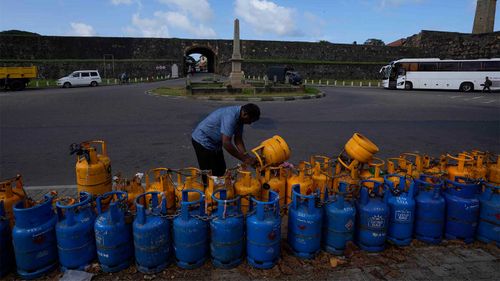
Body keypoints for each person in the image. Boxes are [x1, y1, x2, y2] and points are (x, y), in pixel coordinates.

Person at [191, 103, 260, 177]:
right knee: (210, 175)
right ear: (245, 114)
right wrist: (244, 159)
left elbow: (238, 140)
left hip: (215, 144)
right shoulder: (230, 116)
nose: (249, 123)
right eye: (250, 120)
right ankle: (208, 187)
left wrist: (247, 156)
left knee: (221, 172)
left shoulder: (241, 118)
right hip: (202, 142)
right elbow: (226, 143)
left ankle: (220, 186)